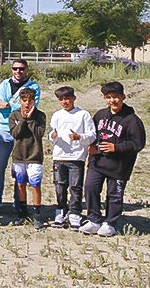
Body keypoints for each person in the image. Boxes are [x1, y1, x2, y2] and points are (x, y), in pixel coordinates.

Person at [80, 82, 146, 237]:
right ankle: (94, 219)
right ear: (104, 98)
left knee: (114, 195)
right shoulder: (100, 115)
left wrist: (116, 148)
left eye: (116, 97)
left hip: (119, 166)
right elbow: (92, 134)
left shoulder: (132, 120)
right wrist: (92, 145)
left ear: (123, 97)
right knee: (90, 188)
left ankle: (110, 223)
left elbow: (138, 143)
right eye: (108, 97)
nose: (112, 101)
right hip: (97, 162)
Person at [0, 59, 40, 209]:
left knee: (19, 168)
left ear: (27, 69)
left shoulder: (34, 87)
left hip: (24, 132)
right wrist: (15, 107)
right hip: (5, 129)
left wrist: (10, 105)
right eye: (15, 68)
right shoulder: (4, 85)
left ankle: (19, 201)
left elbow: (31, 108)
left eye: (22, 68)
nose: (18, 71)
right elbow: (0, 106)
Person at [48, 86, 95, 230]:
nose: (64, 102)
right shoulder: (57, 115)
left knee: (75, 187)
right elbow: (51, 136)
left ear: (74, 98)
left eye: (67, 98)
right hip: (59, 156)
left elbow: (92, 135)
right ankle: (60, 211)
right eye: (61, 99)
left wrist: (79, 137)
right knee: (60, 185)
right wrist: (53, 137)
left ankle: (75, 213)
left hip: (76, 157)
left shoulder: (83, 115)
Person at [9, 88, 47, 228]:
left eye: (30, 101)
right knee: (20, 184)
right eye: (24, 100)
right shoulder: (14, 115)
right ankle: (22, 212)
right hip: (19, 156)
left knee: (35, 184)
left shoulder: (40, 115)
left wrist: (30, 119)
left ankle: (37, 213)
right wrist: (24, 119)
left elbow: (38, 134)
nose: (27, 103)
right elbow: (16, 134)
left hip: (35, 155)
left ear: (34, 101)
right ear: (20, 101)